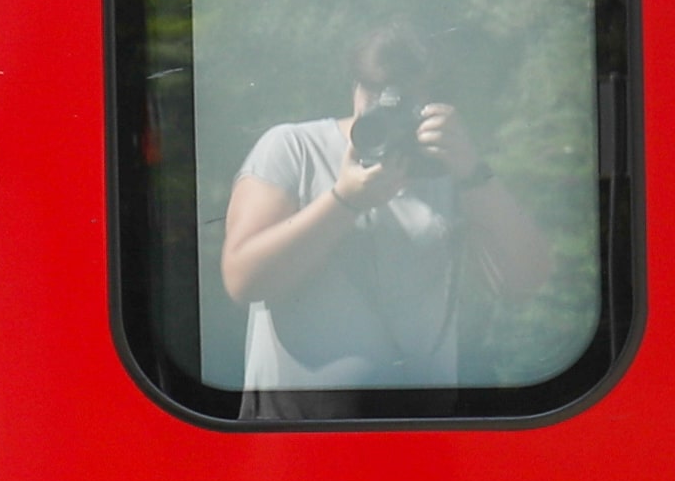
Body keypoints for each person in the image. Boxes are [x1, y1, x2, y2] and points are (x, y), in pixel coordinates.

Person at [217, 23, 552, 408]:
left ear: (434, 101)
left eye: (402, 99)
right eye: (372, 92)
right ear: (354, 86)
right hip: (297, 436)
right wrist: (344, 202)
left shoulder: (450, 169)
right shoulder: (295, 148)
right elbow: (244, 281)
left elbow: (527, 279)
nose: (383, 109)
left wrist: (473, 172)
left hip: (422, 436)